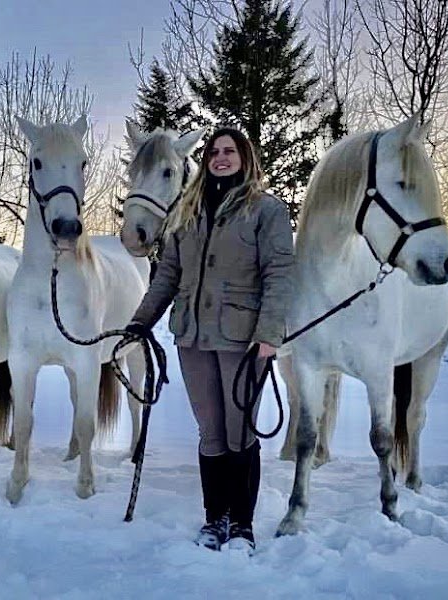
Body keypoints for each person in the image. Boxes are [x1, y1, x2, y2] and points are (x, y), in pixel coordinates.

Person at [126, 129, 293, 552]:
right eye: (215, 152)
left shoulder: (266, 210)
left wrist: (270, 334)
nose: (220, 158)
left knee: (240, 433)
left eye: (229, 151)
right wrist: (140, 322)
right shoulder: (187, 211)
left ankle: (242, 524)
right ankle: (214, 518)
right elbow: (168, 275)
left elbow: (279, 274)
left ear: (245, 157)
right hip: (194, 338)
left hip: (244, 340)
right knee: (211, 433)